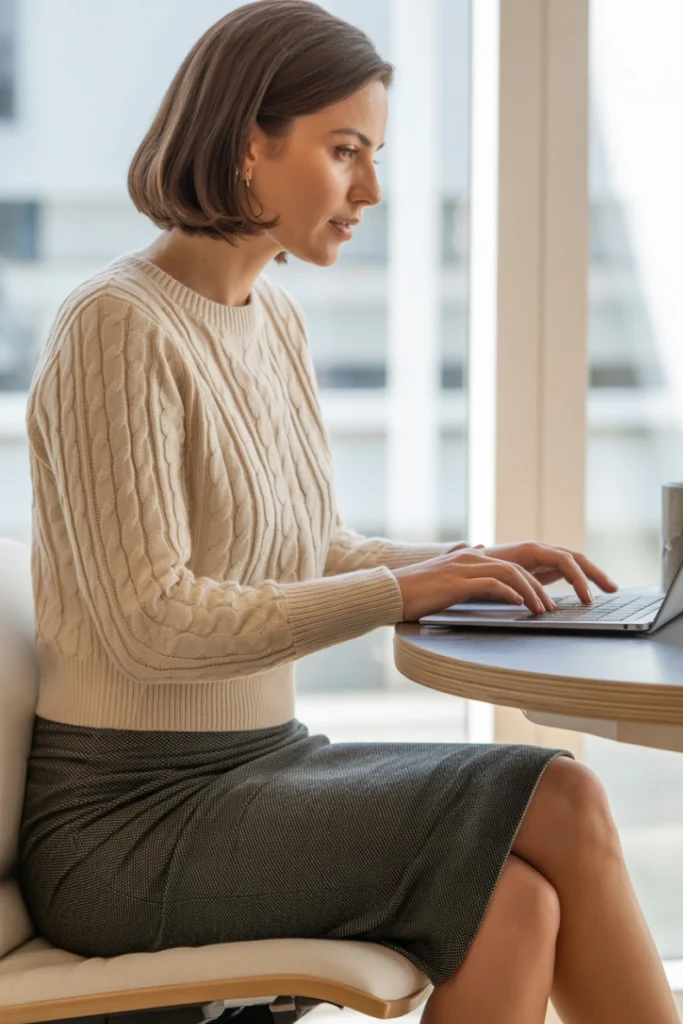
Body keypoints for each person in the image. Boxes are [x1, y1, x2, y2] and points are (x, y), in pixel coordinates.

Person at [18, 2, 678, 1022]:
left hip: (262, 762)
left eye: (370, 154)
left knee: (513, 904)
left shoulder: (269, 317)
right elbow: (149, 619)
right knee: (565, 797)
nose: (369, 188)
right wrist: (394, 591)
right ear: (250, 143)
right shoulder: (116, 327)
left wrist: (459, 562)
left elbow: (306, 545)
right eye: (344, 151)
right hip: (126, 819)